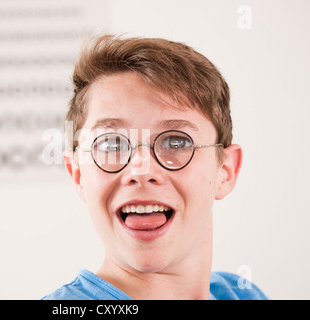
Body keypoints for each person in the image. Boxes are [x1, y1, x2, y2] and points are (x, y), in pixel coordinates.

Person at [42, 35, 268, 300]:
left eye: (175, 141)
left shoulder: (242, 293)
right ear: (78, 174)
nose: (141, 170)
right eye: (112, 144)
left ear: (226, 171)